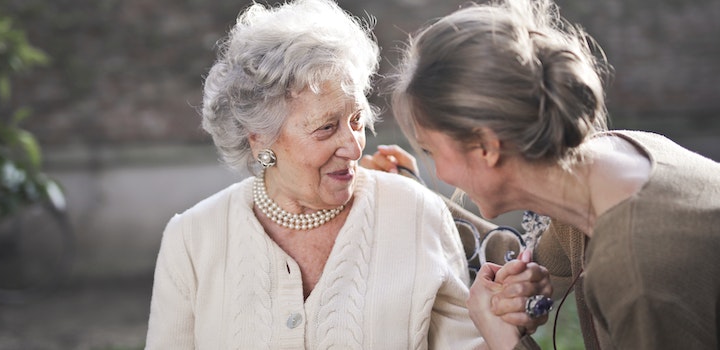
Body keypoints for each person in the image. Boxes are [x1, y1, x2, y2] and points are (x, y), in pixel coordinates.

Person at [144, 0, 550, 348]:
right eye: (326, 128)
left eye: (356, 120)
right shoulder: (192, 240)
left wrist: (502, 326)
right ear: (259, 139)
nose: (355, 146)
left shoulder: (415, 214)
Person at [386, 0, 720, 348]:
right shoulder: (613, 160)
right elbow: (530, 264)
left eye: (431, 150)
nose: (440, 171)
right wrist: (410, 195)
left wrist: (504, 340)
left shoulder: (637, 272)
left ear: (486, 148)